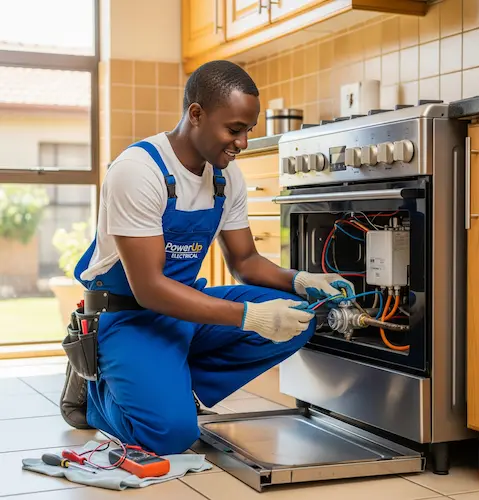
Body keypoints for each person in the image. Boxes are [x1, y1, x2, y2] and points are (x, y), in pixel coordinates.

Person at [60, 60, 350, 455]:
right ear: (196, 114)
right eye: (234, 130)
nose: (243, 143)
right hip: (128, 316)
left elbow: (246, 260)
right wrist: (250, 317)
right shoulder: (138, 170)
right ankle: (95, 395)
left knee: (300, 316)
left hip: (185, 311)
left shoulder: (225, 176)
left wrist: (301, 280)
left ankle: (167, 383)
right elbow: (148, 289)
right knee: (172, 436)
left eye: (248, 131)